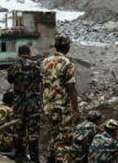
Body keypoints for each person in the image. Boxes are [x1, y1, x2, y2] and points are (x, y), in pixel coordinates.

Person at [41, 35, 80, 163]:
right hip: (61, 107)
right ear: (67, 47)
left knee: (55, 134)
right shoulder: (68, 63)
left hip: (47, 107)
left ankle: (50, 160)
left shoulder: (45, 61)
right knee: (64, 139)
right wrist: (76, 110)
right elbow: (71, 87)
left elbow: (42, 85)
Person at [8, 44, 43, 163]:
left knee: (18, 131)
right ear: (30, 53)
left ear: (18, 54)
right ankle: (34, 159)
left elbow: (10, 80)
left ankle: (19, 157)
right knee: (33, 133)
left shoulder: (14, 66)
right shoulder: (37, 66)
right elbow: (41, 79)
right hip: (34, 104)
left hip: (19, 104)